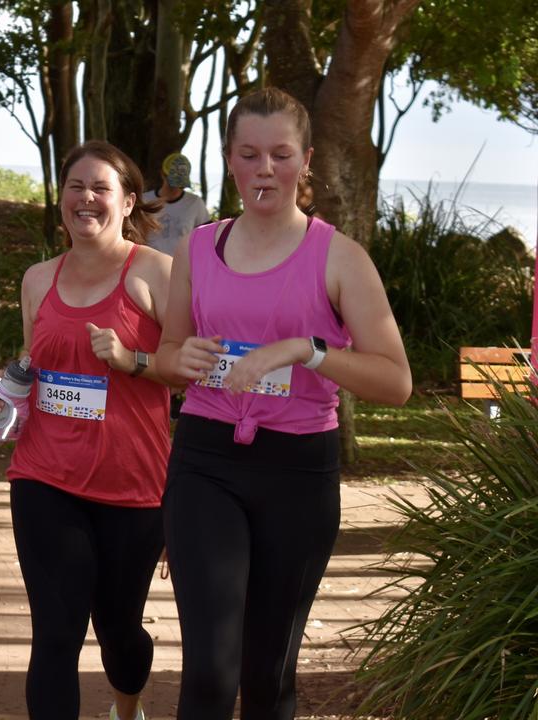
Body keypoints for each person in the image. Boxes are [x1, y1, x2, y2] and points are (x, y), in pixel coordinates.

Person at [156, 87, 411, 719]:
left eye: (280, 154)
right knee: (210, 671)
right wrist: (177, 362)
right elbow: (166, 355)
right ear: (230, 159)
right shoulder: (198, 247)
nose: (264, 169)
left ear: (306, 161)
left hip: (298, 471)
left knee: (266, 675)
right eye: (249, 154)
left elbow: (396, 382)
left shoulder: (341, 258)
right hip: (205, 462)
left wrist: (309, 350)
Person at [0, 141, 173, 720]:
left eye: (100, 188)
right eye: (74, 186)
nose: (85, 198)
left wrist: (131, 359)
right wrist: (6, 390)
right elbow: (35, 358)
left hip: (133, 485)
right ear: (60, 197)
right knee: (56, 635)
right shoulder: (38, 278)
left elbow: (194, 367)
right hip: (45, 476)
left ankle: (126, 706)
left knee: (119, 632)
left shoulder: (155, 272)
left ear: (128, 199)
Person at [142, 153, 211, 257]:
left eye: (180, 182)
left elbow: (206, 239)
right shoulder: (145, 200)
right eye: (172, 181)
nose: (176, 187)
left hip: (181, 267)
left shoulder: (195, 203)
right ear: (162, 174)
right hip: (148, 264)